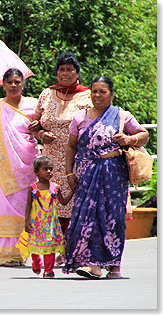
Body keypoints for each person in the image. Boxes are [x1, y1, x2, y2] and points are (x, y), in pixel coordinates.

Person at [63, 76, 149, 279]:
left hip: (114, 176)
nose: (97, 95)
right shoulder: (79, 117)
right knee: (88, 216)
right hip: (86, 174)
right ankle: (93, 264)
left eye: (102, 91)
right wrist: (69, 172)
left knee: (113, 218)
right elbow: (71, 146)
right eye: (94, 91)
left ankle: (114, 265)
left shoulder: (121, 116)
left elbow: (143, 134)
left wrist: (129, 139)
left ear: (111, 94)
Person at [28, 53, 93, 257]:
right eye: (62, 69)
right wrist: (41, 134)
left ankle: (73, 248)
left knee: (74, 202)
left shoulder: (87, 95)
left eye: (70, 69)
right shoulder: (47, 94)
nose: (65, 73)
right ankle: (56, 248)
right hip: (50, 161)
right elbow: (34, 123)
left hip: (76, 158)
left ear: (77, 73)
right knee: (52, 202)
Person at [0, 68, 40, 267]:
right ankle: (4, 254)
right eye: (9, 82)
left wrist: (38, 126)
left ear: (23, 84)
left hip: (26, 166)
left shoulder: (33, 105)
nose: (13, 85)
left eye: (17, 82)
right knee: (3, 208)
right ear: (3, 85)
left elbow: (42, 129)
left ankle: (22, 252)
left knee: (24, 209)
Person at [24, 156, 74, 278]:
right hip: (36, 223)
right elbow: (28, 205)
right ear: (36, 172)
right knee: (35, 246)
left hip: (51, 224)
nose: (48, 172)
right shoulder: (33, 188)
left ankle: (49, 270)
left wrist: (73, 191)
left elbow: (63, 202)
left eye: (50, 169)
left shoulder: (55, 188)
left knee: (50, 247)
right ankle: (36, 263)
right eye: (45, 169)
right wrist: (26, 221)